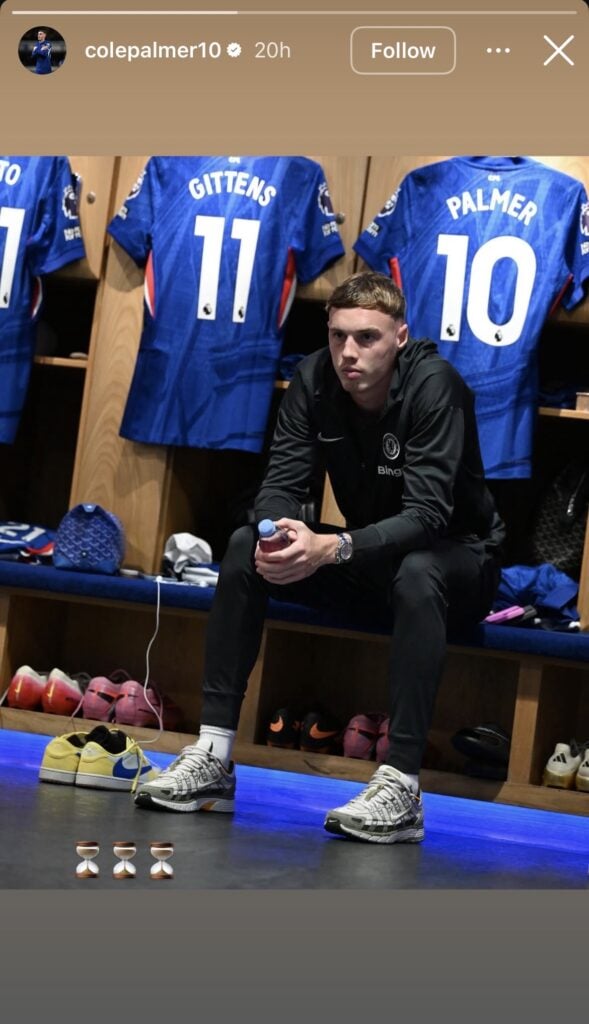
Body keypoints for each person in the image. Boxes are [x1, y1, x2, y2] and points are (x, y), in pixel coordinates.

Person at [135, 271, 506, 844]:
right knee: (245, 545)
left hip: (458, 565)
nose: (348, 352)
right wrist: (278, 532)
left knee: (418, 570)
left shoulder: (436, 386)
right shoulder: (313, 379)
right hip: (371, 560)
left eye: (366, 337)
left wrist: (332, 547)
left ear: (400, 337)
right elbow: (281, 484)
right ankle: (213, 755)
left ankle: (402, 786)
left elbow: (428, 517)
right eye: (338, 336)